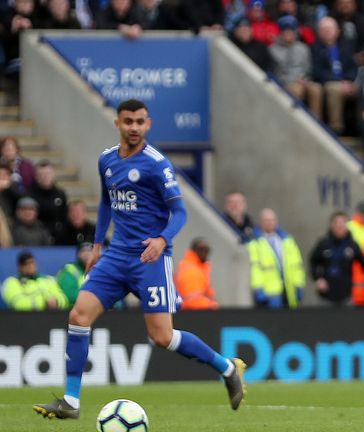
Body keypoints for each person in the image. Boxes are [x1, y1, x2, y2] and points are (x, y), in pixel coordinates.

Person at [33, 99, 245, 420]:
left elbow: (180, 212)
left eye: (140, 122)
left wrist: (162, 240)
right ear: (118, 123)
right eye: (128, 121)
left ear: (149, 125)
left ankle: (226, 368)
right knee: (78, 316)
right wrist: (97, 244)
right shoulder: (106, 159)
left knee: (162, 337)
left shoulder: (156, 164)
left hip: (150, 258)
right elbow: (106, 202)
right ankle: (71, 401)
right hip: (116, 254)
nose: (134, 127)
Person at [310, 211, 364, 306]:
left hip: (346, 294)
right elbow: (313, 262)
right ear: (331, 225)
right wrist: (318, 279)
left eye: (343, 223)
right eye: (336, 223)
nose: (340, 226)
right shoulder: (323, 243)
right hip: (326, 294)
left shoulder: (352, 244)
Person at [247, 208, 305, 309]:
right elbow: (255, 268)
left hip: (288, 288)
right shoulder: (254, 243)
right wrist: (258, 288)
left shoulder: (287, 241)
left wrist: (298, 284)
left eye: (272, 220)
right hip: (270, 291)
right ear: (261, 222)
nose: (270, 223)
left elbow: (297, 265)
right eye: (266, 220)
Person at [2, 251, 68, 311]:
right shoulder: (11, 282)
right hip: (25, 320)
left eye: (32, 262)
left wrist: (57, 302)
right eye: (26, 264)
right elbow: (18, 304)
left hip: (52, 318)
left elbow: (64, 298)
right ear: (20, 267)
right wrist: (44, 303)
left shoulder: (48, 279)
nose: (31, 266)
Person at [175, 237, 219, 310]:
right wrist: (212, 305)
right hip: (191, 315)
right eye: (201, 249)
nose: (204, 252)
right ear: (193, 251)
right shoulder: (191, 271)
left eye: (206, 250)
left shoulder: (197, 268)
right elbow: (193, 301)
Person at [56, 242, 95, 307]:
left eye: (90, 251)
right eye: (83, 251)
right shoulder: (69, 270)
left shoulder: (100, 271)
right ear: (77, 255)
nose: (87, 254)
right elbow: (70, 295)